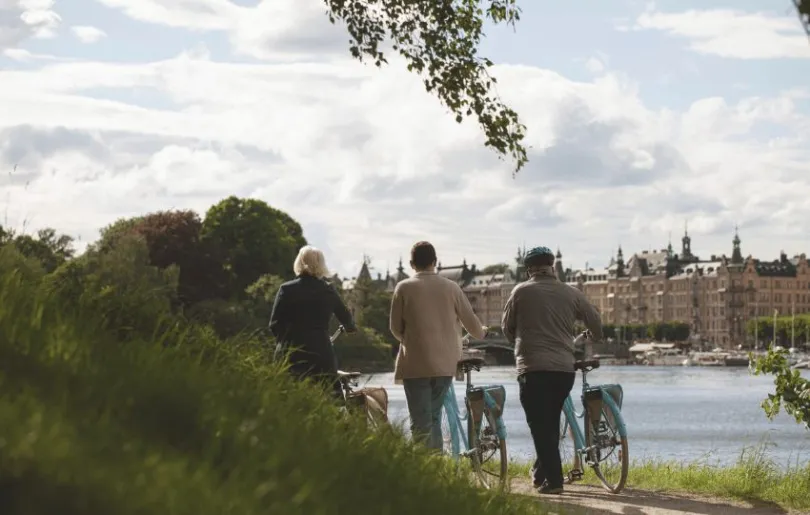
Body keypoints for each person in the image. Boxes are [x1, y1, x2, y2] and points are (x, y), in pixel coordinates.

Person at [502, 246, 603, 495]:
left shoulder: (520, 292)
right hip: (563, 370)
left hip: (532, 367)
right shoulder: (571, 293)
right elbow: (596, 324)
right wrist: (590, 335)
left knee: (540, 425)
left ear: (529, 270)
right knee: (549, 422)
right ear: (553, 267)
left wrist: (519, 341)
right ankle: (540, 473)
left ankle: (555, 482)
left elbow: (507, 328)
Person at [389, 241, 488, 450]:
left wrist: (412, 339)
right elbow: (474, 327)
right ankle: (437, 468)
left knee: (421, 421)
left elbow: (395, 328)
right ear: (434, 262)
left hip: (415, 363)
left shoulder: (403, 287)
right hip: (445, 364)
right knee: (433, 417)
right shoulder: (452, 287)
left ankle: (428, 471)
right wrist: (483, 331)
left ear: (411, 263)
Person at [270, 245, 356, 397]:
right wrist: (349, 326)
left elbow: (274, 324)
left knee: (286, 400)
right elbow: (346, 319)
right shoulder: (328, 290)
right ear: (321, 265)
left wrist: (285, 342)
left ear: (298, 263)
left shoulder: (286, 289)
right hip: (320, 354)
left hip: (290, 356)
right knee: (330, 400)